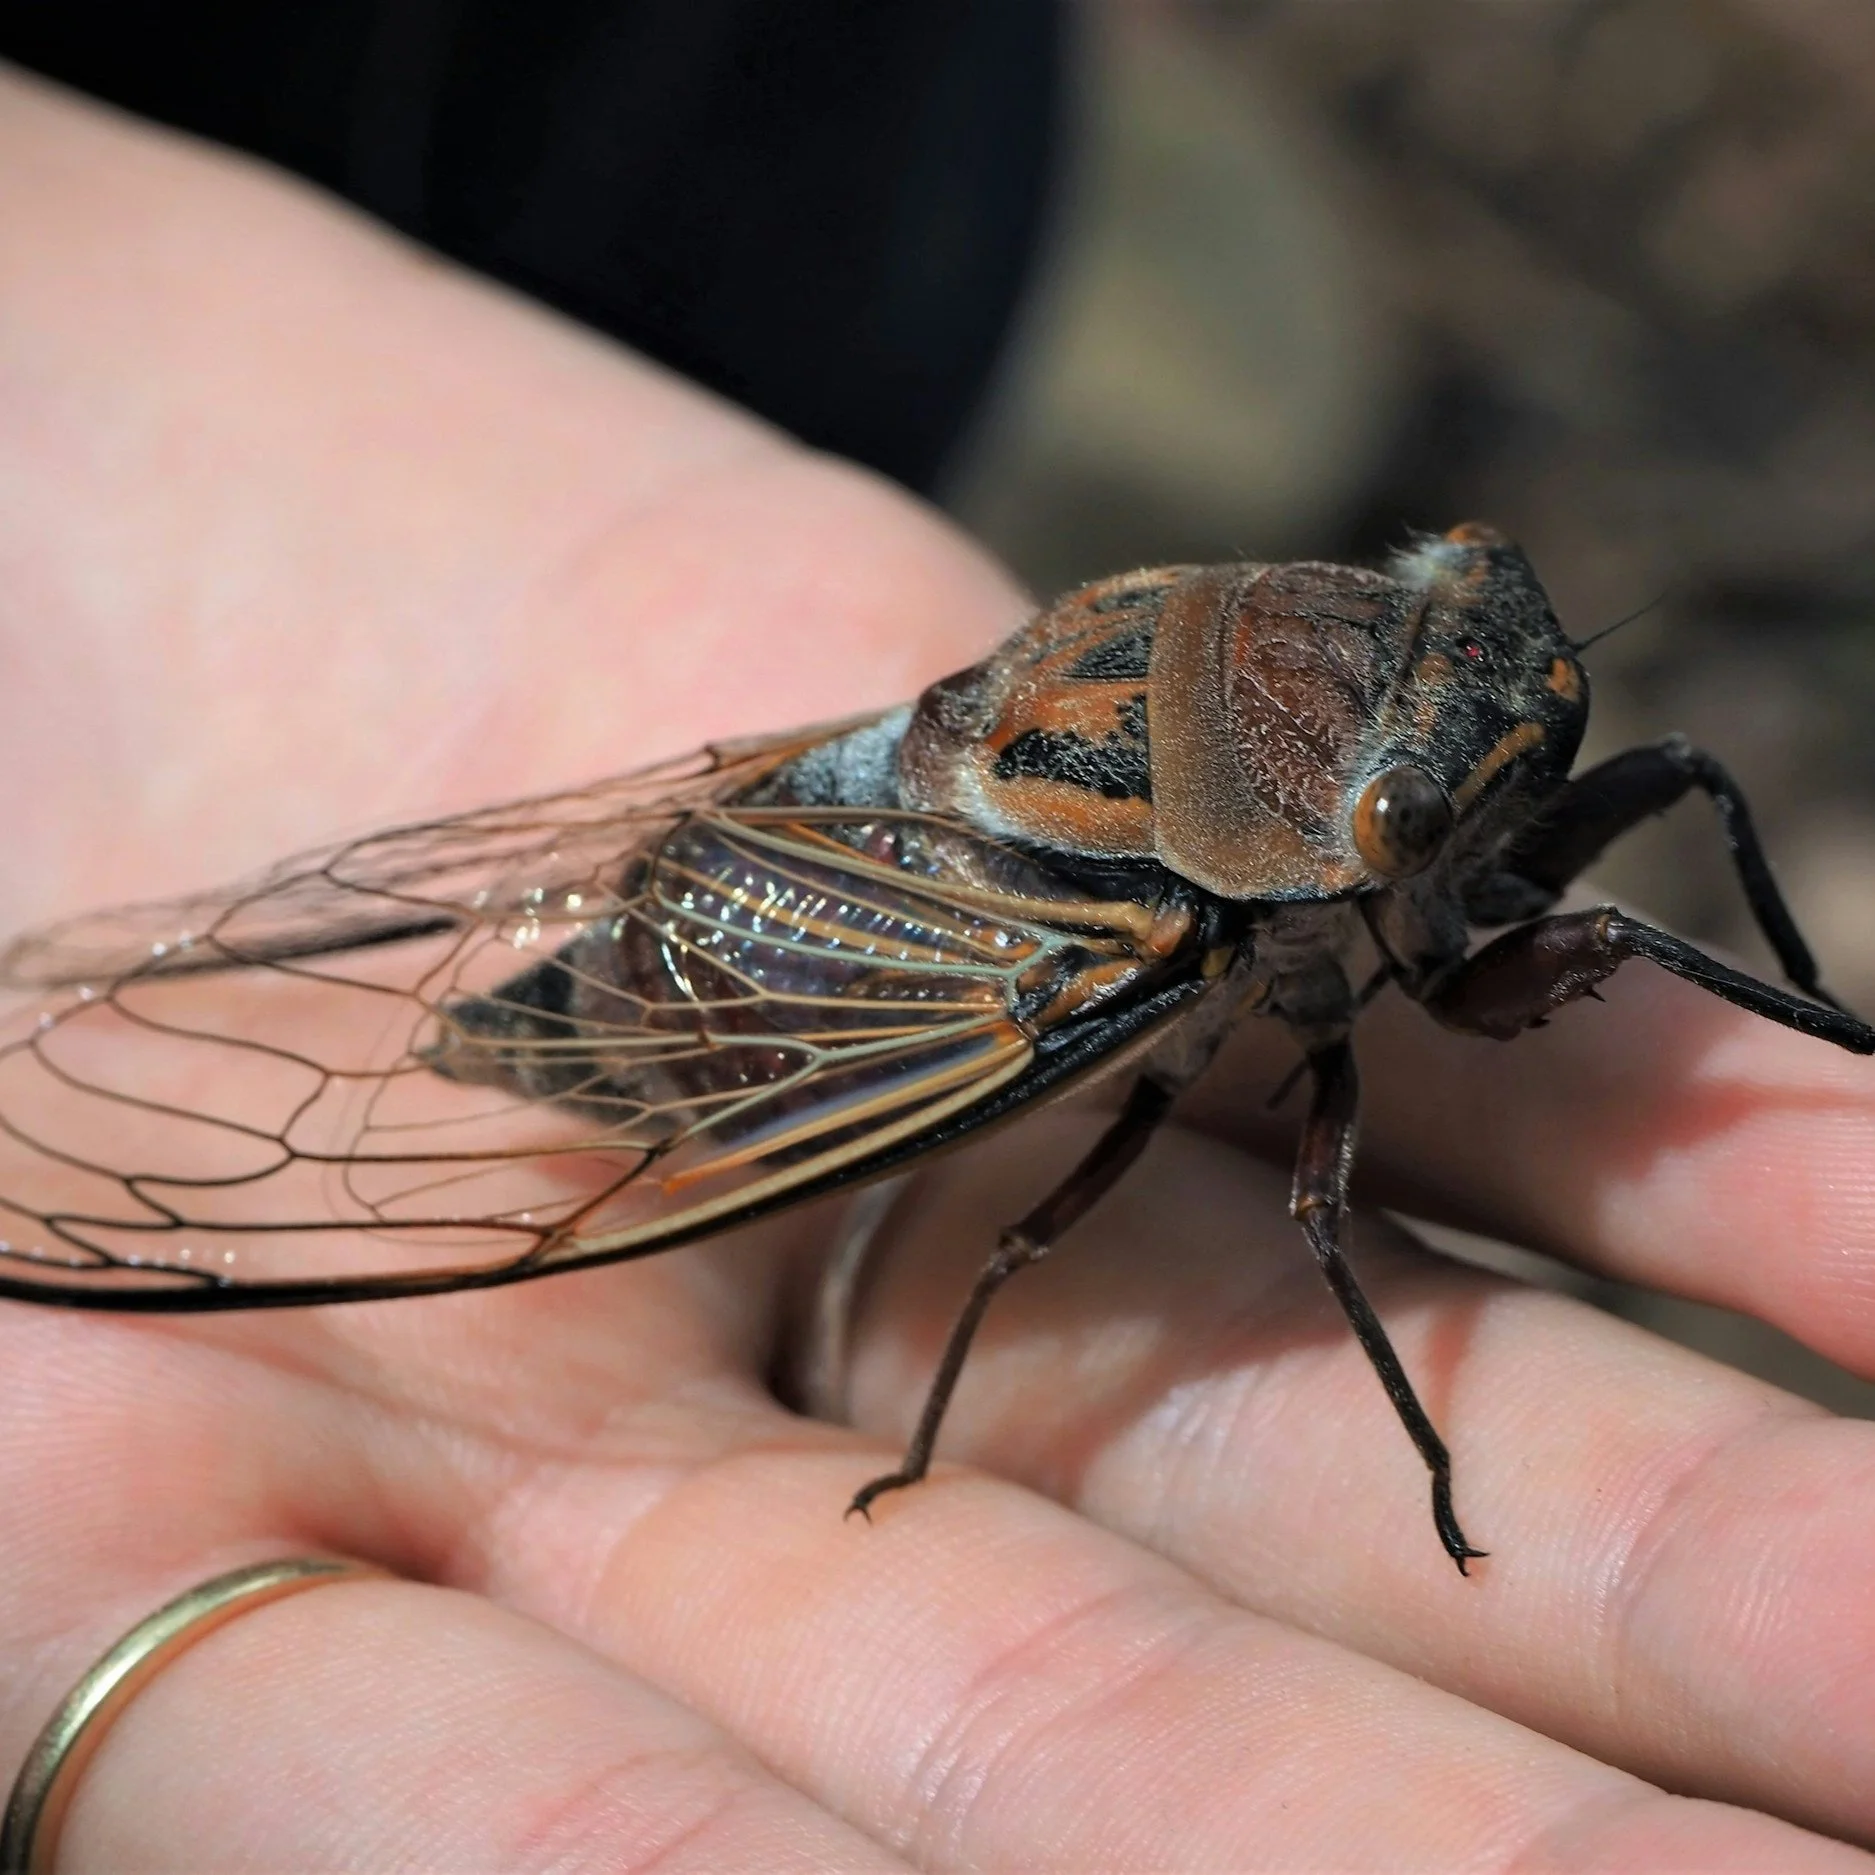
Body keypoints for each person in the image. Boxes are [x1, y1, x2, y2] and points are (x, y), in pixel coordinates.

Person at [2, 65, 1873, 1872]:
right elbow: (1256, 1218)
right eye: (1403, 823)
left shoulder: (1286, 714)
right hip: (790, 985)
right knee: (1207, 1193)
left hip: (805, 193)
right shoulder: (1150, 934)